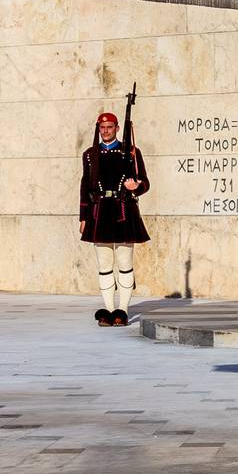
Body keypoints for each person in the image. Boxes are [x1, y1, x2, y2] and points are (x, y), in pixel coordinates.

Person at [80, 111, 150, 327]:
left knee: (124, 263)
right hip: (99, 213)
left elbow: (145, 182)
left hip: (123, 211)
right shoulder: (90, 154)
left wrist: (136, 187)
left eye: (110, 127)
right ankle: (109, 311)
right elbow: (85, 187)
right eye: (102, 128)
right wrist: (83, 215)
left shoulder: (131, 152)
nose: (106, 131)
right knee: (104, 265)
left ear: (117, 128)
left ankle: (123, 310)